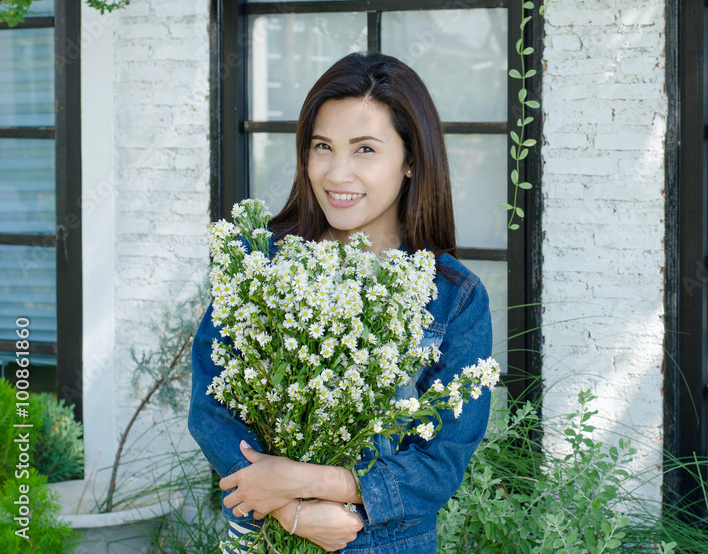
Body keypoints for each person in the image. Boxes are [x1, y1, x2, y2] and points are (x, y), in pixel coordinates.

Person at [188, 52, 494, 553]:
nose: (337, 173)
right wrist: (292, 511)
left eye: (365, 149)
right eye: (322, 147)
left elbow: (440, 462)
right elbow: (210, 409)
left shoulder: (453, 297)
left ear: (411, 159)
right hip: (264, 536)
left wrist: (311, 482)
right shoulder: (259, 263)